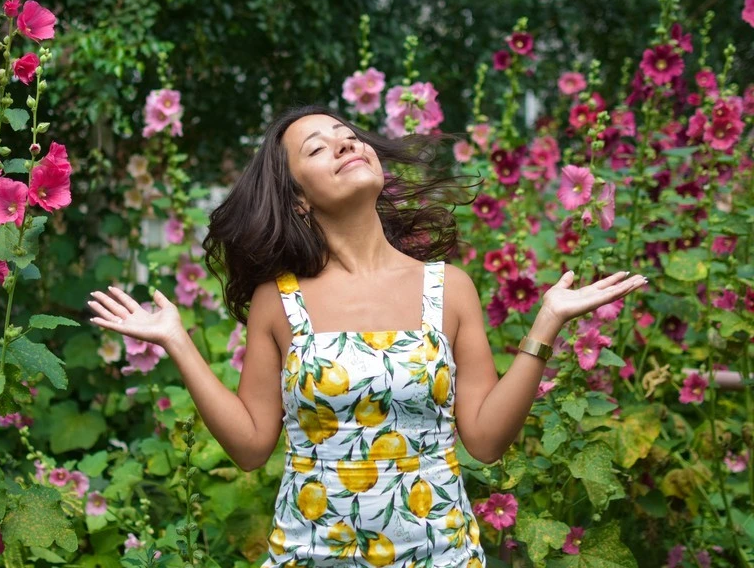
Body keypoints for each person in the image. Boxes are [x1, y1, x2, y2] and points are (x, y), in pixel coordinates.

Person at [86, 104, 647, 567]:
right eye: (318, 148)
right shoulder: (279, 302)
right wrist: (178, 342)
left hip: (439, 553)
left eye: (348, 136)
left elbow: (485, 441)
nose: (346, 145)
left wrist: (546, 322)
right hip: (311, 553)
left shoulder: (448, 289)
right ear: (298, 198)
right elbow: (253, 446)